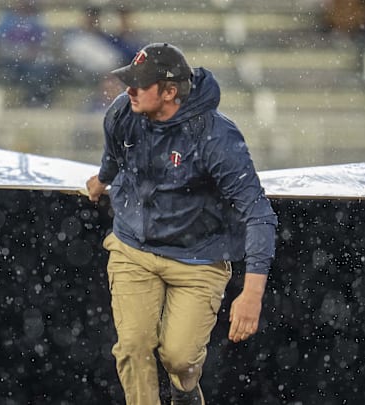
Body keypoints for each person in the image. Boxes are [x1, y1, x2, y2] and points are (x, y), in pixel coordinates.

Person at [86, 43, 278, 404]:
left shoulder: (216, 137)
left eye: (140, 84)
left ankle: (185, 390)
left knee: (180, 357)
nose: (129, 90)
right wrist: (102, 179)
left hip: (198, 258)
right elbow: (115, 152)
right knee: (132, 346)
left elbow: (258, 212)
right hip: (133, 248)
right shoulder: (122, 112)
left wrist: (251, 295)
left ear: (170, 92)